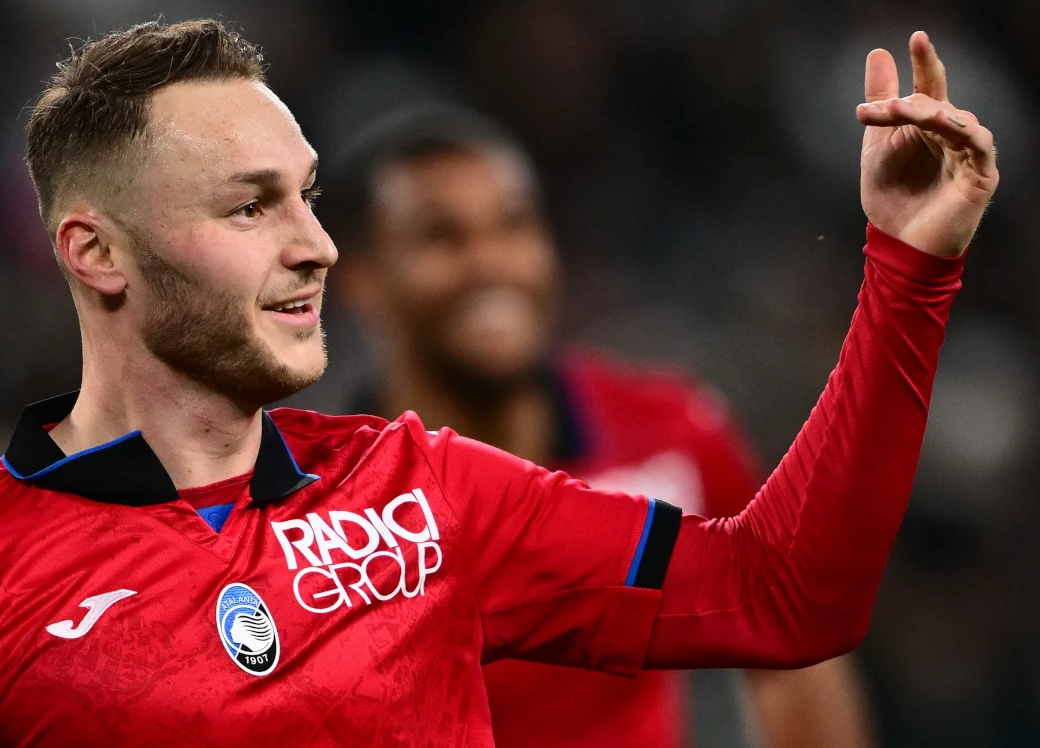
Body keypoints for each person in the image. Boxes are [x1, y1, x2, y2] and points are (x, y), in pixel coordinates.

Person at [0, 19, 996, 746]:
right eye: (252, 206)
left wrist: (909, 269)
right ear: (98, 253)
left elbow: (786, 594)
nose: (317, 244)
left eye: (308, 196)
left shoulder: (422, 492)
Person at [328, 102, 876, 748]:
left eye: (514, 225)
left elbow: (791, 651)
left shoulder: (672, 437)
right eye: (440, 237)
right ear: (360, 279)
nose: (492, 263)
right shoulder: (321, 516)